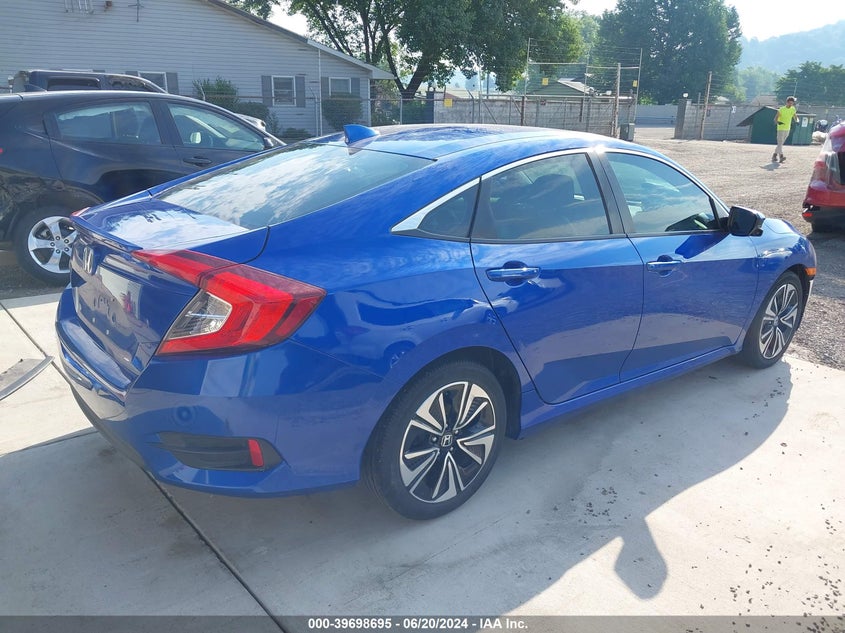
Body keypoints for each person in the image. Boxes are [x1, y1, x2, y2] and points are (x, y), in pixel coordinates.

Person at [773, 96, 798, 163]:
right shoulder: (781, 109)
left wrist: (797, 121)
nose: (790, 104)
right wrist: (778, 122)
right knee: (780, 142)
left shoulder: (793, 109)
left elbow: (795, 117)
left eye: (792, 103)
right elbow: (775, 119)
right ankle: (781, 156)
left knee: (780, 143)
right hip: (781, 128)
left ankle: (774, 155)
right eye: (789, 103)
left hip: (787, 128)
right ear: (786, 102)